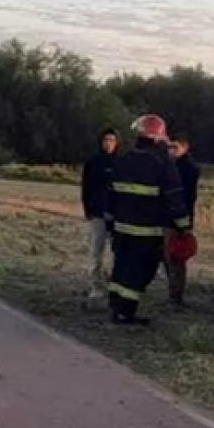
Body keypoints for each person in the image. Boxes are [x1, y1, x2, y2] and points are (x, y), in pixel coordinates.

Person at [107, 114, 190, 325]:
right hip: (147, 229)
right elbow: (173, 196)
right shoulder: (162, 162)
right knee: (140, 271)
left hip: (121, 226)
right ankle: (125, 313)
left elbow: (110, 192)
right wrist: (183, 225)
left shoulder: (123, 158)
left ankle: (115, 305)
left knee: (121, 266)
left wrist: (111, 220)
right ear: (158, 137)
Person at [80, 127, 120, 301]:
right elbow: (86, 188)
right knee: (96, 252)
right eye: (106, 140)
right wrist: (88, 209)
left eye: (112, 140)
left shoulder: (121, 163)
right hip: (98, 213)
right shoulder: (93, 163)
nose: (108, 143)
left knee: (118, 253)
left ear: (117, 143)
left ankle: (116, 286)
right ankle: (96, 286)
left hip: (118, 215)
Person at [165, 136, 201, 307]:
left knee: (176, 259)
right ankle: (173, 292)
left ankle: (176, 296)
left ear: (185, 147)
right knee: (167, 258)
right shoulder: (169, 165)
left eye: (175, 147)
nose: (171, 150)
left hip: (179, 221)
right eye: (169, 147)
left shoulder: (188, 169)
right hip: (166, 218)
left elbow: (186, 198)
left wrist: (184, 224)